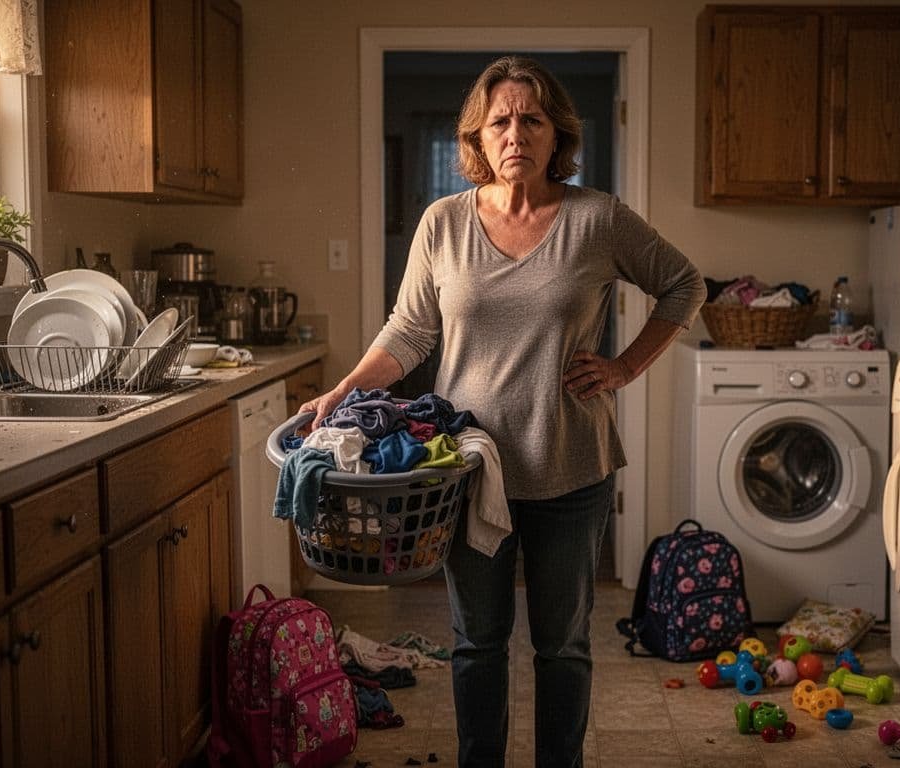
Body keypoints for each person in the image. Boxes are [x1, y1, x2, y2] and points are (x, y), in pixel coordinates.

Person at [301, 55, 705, 768]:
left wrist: (624, 366)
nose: (516, 133)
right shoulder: (443, 223)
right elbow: (410, 329)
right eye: (500, 122)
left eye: (532, 119)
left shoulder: (597, 219)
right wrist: (346, 390)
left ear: (556, 137)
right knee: (477, 642)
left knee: (563, 645)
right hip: (468, 472)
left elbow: (683, 285)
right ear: (478, 140)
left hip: (570, 468)